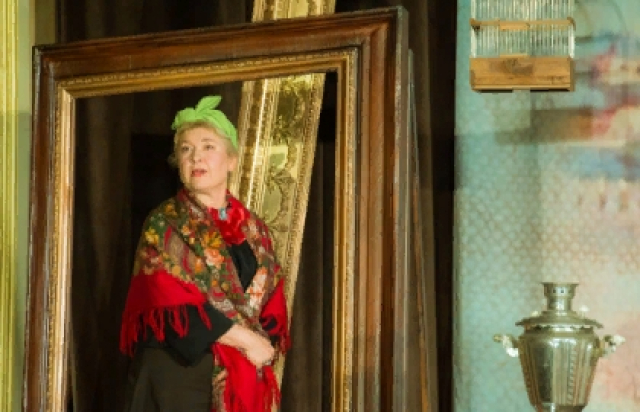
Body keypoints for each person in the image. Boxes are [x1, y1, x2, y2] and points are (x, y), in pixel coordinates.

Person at [120, 95, 290, 412]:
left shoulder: (256, 230)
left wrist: (262, 342)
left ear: (231, 160)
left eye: (208, 146)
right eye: (186, 150)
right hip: (178, 378)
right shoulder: (165, 223)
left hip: (240, 377)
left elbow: (272, 298)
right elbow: (169, 304)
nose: (196, 157)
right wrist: (246, 340)